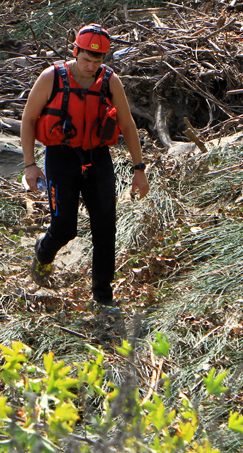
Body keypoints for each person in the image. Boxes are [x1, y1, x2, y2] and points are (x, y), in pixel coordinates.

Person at [20, 23, 149, 307]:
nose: (91, 66)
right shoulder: (51, 78)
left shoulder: (109, 81)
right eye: (86, 59)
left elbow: (127, 125)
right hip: (61, 158)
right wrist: (30, 165)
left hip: (97, 158)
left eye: (97, 60)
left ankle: (103, 298)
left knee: (105, 227)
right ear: (75, 51)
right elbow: (29, 120)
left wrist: (139, 170)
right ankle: (43, 253)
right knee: (64, 227)